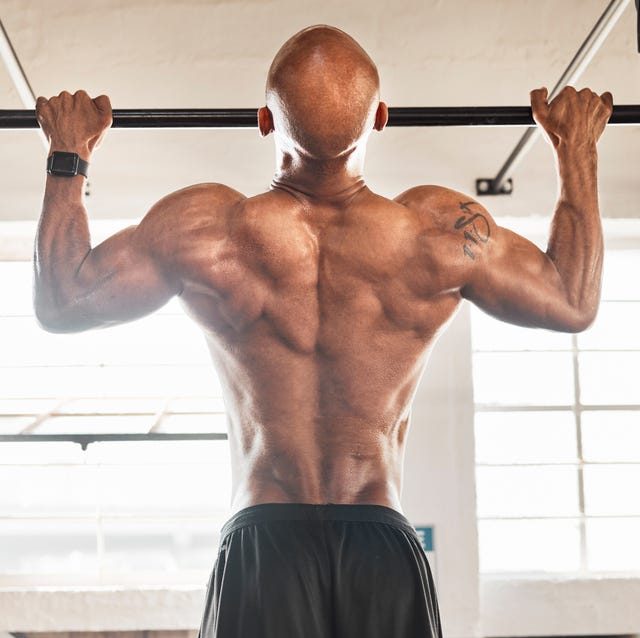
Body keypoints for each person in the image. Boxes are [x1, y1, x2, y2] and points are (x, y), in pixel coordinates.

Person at [34, 24, 612, 638]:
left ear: (263, 120)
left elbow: (63, 300)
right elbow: (572, 299)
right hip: (380, 545)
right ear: (381, 118)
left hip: (265, 541)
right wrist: (577, 151)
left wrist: (68, 156)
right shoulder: (436, 234)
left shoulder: (206, 229)